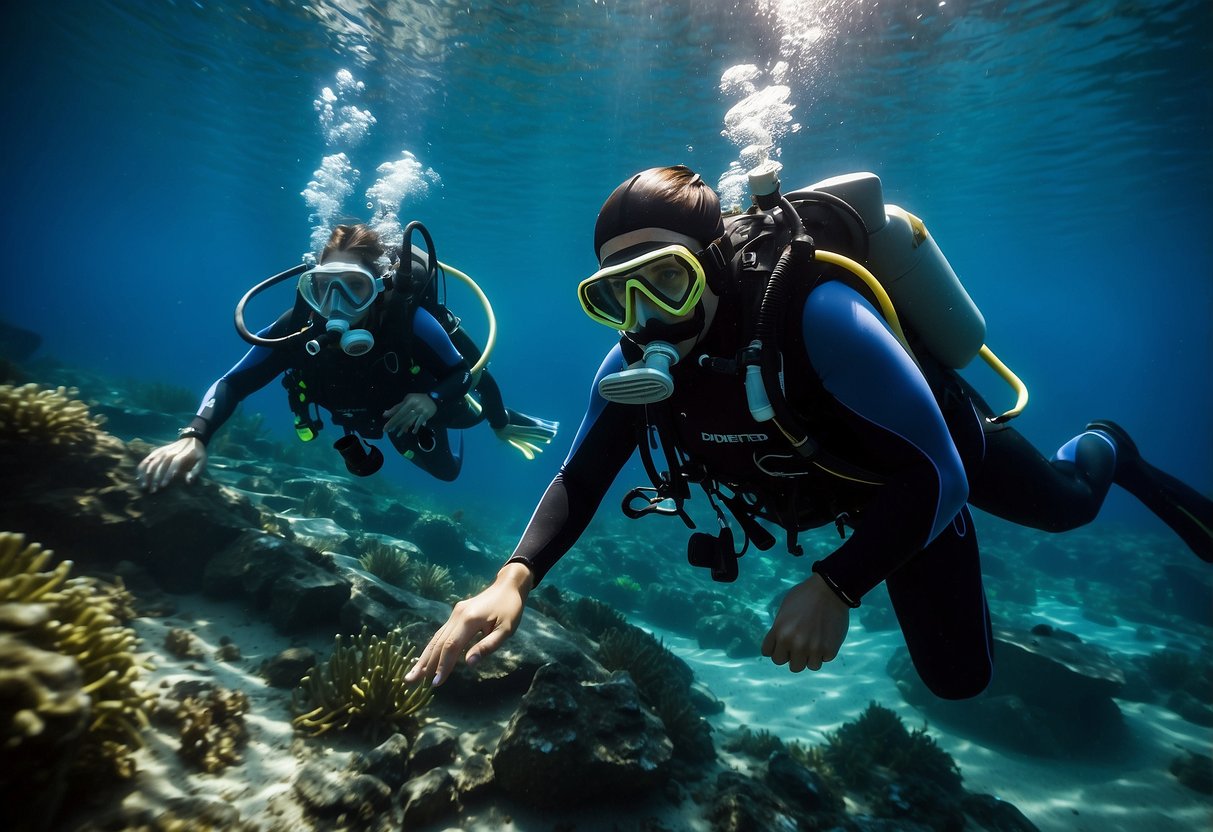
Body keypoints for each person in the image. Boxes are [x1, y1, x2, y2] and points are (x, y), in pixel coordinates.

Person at [404, 165, 1212, 699]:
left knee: (1065, 509)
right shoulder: (629, 362)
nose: (645, 319)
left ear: (712, 264)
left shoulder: (815, 312)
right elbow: (579, 478)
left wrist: (836, 585)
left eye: (666, 279)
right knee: (957, 682)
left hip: (924, 463)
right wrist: (510, 579)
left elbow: (937, 471)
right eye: (617, 295)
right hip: (851, 488)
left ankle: (1106, 445)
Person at [137, 223, 558, 490]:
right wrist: (196, 435)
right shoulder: (299, 327)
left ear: (377, 286)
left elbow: (466, 372)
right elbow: (233, 382)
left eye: (353, 287)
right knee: (435, 464)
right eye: (323, 287)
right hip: (372, 420)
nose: (335, 304)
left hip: (418, 409)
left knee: (453, 458)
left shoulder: (407, 321)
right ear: (309, 287)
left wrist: (443, 403)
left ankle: (483, 418)